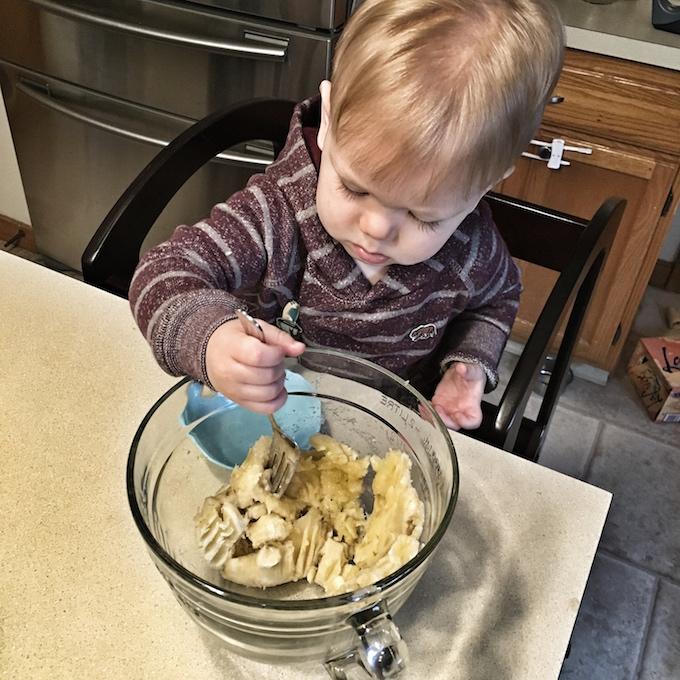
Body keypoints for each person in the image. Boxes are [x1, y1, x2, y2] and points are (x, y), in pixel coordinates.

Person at [129, 0, 564, 431]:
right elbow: (163, 273)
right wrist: (211, 340)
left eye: (422, 216)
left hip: (390, 424)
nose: (375, 229)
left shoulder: (472, 250)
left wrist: (468, 365)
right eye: (354, 187)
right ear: (331, 115)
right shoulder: (275, 215)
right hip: (270, 416)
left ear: (486, 186)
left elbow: (496, 299)